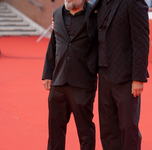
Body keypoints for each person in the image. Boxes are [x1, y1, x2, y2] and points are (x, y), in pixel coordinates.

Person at [92, 0, 149, 149]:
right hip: (103, 73)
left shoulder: (133, 2)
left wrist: (138, 78)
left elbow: (141, 41)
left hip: (126, 76)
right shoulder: (98, 2)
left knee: (128, 127)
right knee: (107, 127)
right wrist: (61, 19)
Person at [42, 0, 98, 149]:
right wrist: (48, 73)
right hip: (58, 81)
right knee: (55, 130)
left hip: (83, 81)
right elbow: (53, 44)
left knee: (85, 131)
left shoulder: (95, 14)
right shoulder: (58, 13)